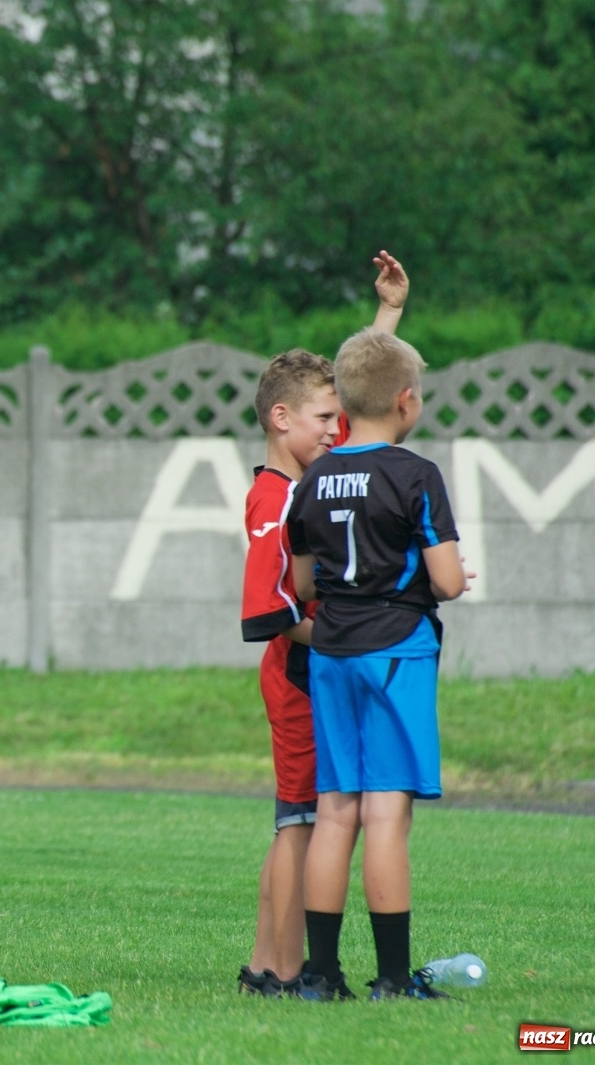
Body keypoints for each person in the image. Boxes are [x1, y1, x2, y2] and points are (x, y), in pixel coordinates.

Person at [238, 253, 409, 996]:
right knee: (297, 823)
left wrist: (387, 318)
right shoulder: (275, 500)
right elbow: (269, 613)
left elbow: (363, 402)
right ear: (282, 420)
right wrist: (349, 637)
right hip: (300, 674)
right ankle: (277, 965)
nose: (336, 432)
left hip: (317, 671)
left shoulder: (305, 480)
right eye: (320, 421)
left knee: (301, 820)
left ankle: (271, 962)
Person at [284, 327, 473, 1001]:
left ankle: (320, 974)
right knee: (387, 813)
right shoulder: (417, 474)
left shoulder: (311, 482)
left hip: (332, 654)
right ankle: (393, 977)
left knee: (335, 811)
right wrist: (439, 576)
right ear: (405, 401)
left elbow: (304, 585)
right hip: (397, 651)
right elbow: (447, 581)